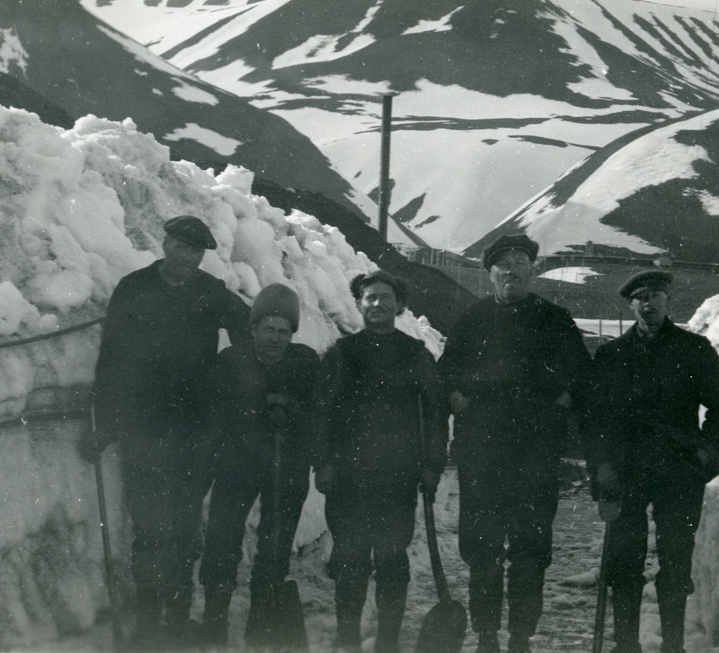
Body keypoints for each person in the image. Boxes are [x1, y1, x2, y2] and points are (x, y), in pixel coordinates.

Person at [83, 215, 251, 649]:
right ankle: (148, 621)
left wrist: (228, 382)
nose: (186, 257)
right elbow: (111, 359)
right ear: (165, 243)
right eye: (179, 246)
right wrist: (105, 424)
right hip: (144, 429)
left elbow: (247, 334)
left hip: (195, 431)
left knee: (184, 529)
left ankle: (176, 620)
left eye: (195, 252)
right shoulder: (133, 288)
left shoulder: (211, 293)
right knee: (150, 529)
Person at [438, 234, 591, 653]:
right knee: (482, 549)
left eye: (520, 261)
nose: (511, 270)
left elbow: (583, 376)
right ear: (490, 274)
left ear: (532, 270)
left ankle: (521, 636)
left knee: (530, 547)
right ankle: (487, 635)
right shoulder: (471, 320)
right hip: (482, 453)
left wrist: (562, 402)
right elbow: (445, 372)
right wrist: (455, 394)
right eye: (502, 264)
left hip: (535, 455)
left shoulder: (554, 318)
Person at [584, 270, 719, 653]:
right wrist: (601, 466)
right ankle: (626, 645)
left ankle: (673, 646)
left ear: (668, 300)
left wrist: (706, 454)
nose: (647, 303)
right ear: (630, 304)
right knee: (624, 564)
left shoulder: (693, 349)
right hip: (625, 473)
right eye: (639, 297)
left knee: (674, 565)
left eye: (654, 295)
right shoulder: (610, 356)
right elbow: (594, 419)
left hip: (678, 473)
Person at [315, 271, 448, 653]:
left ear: (398, 305)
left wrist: (432, 465)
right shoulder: (342, 354)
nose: (378, 304)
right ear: (359, 304)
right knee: (351, 560)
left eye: (386, 297)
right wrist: (322, 463)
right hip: (348, 478)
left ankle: (387, 643)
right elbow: (321, 412)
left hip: (397, 477)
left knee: (392, 558)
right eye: (370, 297)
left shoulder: (415, 354)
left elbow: (436, 414)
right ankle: (348, 642)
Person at [196, 283, 320, 646]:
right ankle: (214, 621)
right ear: (253, 328)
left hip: (287, 467)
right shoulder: (231, 361)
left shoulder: (306, 362)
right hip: (238, 464)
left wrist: (293, 413)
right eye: (268, 329)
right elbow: (212, 417)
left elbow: (321, 415)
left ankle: (261, 624)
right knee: (222, 541)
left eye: (284, 331)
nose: (275, 339)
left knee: (275, 547)